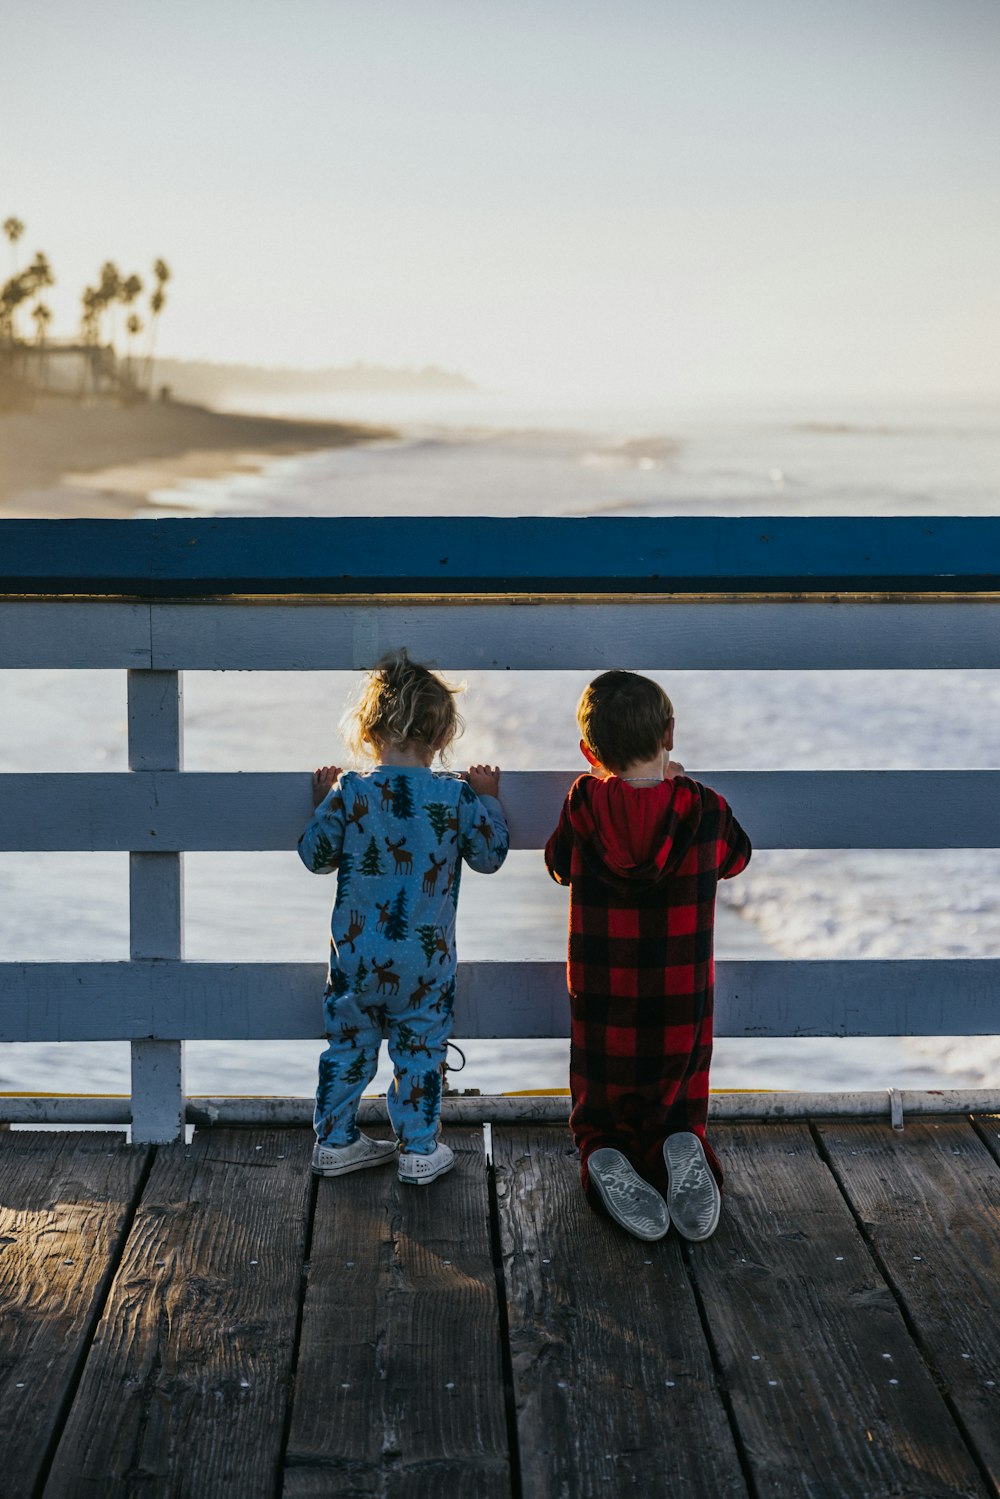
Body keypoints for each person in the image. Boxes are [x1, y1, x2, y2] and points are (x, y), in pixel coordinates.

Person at [544, 669, 751, 1242]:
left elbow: (559, 864)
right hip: (679, 991)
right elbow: (736, 859)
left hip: (602, 988)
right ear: (671, 733)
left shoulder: (583, 804)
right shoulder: (704, 807)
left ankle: (604, 1149)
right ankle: (678, 1139)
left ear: (589, 750)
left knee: (602, 1082)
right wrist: (680, 787)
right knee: (677, 1078)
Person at [298, 649, 508, 1185]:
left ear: (368, 732)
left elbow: (316, 857)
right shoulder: (456, 795)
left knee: (349, 1046)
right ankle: (418, 1149)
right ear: (442, 738)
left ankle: (335, 1141)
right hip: (424, 964)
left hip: (356, 960)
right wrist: (489, 801)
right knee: (419, 1048)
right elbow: (489, 856)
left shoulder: (351, 791)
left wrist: (323, 802)